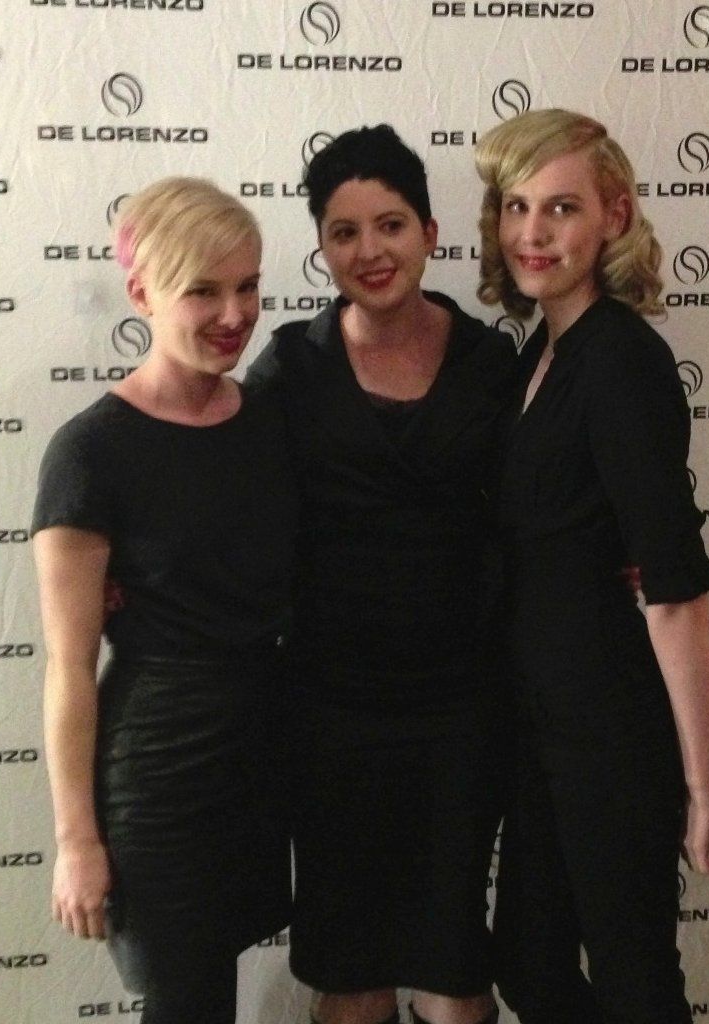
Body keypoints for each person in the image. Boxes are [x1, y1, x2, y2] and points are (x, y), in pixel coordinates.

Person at [249, 125, 516, 1024]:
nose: (370, 251)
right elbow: (214, 486)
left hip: (461, 707)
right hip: (328, 712)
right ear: (321, 247)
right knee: (349, 965)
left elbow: (542, 509)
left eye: (390, 224)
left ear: (432, 232)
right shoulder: (291, 365)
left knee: (451, 963)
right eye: (344, 231)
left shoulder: (492, 364)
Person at [473, 109, 709, 1024]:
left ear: (614, 217)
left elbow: (673, 589)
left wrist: (700, 784)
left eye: (561, 208)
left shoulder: (623, 362)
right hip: (543, 725)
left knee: (635, 982)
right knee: (528, 966)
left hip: (613, 731)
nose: (532, 234)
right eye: (515, 207)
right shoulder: (538, 356)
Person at [32, 177, 296, 1024]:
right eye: (205, 291)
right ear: (143, 291)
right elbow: (69, 668)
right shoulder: (90, 451)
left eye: (249, 285)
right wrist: (77, 843)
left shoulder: (267, 422)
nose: (235, 312)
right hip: (161, 772)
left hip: (262, 756)